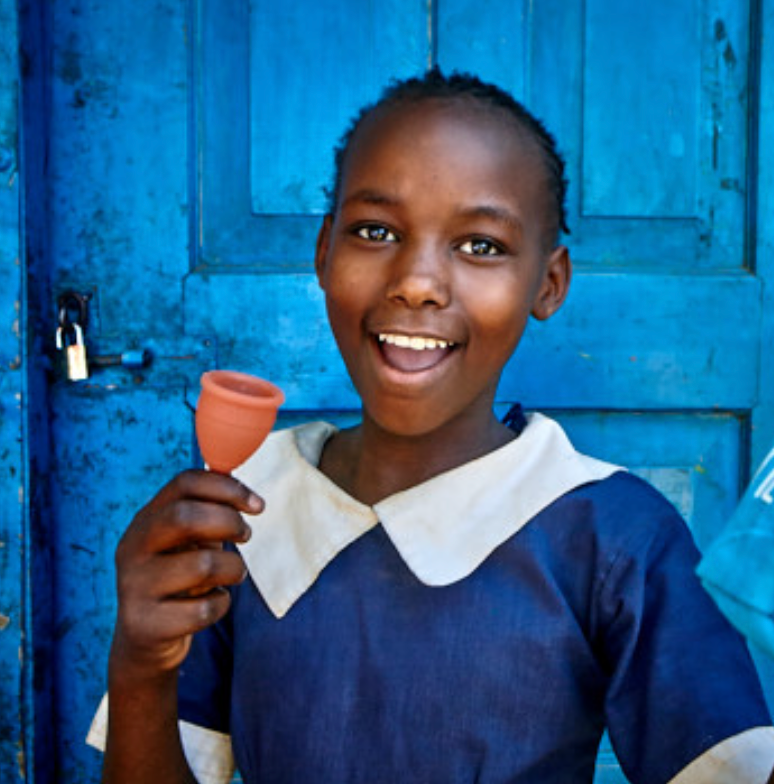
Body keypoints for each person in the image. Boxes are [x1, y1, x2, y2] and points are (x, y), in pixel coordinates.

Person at [88, 69, 774, 783]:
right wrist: (140, 665)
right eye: (375, 230)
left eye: (480, 245)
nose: (416, 281)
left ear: (549, 282)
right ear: (324, 251)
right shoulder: (243, 509)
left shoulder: (616, 535)